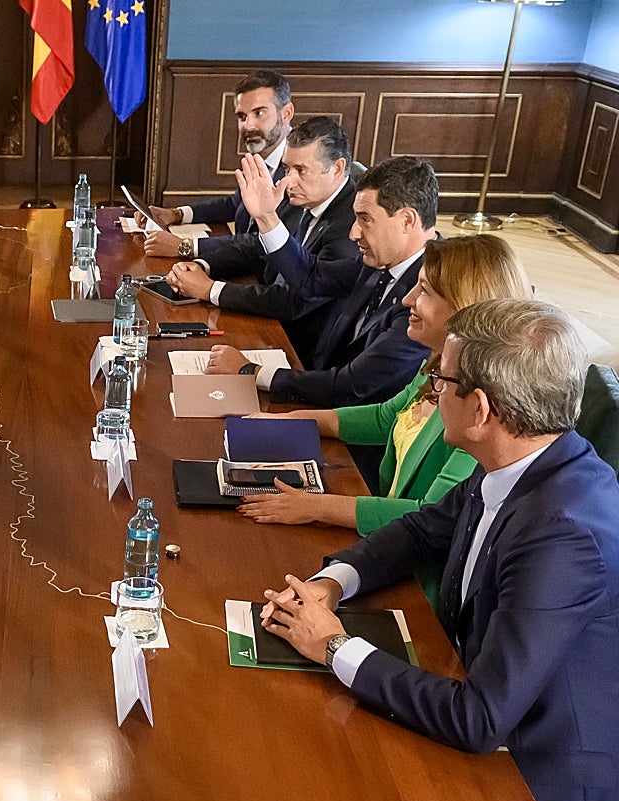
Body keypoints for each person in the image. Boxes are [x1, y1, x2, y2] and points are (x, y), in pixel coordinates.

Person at [259, 299, 619, 801]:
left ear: (479, 409)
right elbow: (424, 528)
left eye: (441, 380)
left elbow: (478, 719)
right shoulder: (528, 458)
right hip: (482, 695)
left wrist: (333, 646)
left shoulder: (563, 534)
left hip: (535, 784)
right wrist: (331, 583)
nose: (430, 391)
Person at [236, 236, 532, 550]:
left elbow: (432, 514)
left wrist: (316, 506)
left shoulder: (481, 411)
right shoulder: (436, 363)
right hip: (387, 540)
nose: (407, 300)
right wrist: (293, 420)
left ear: (465, 306)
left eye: (425, 292)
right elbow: (384, 417)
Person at [206, 155, 434, 409]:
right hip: (319, 395)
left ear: (407, 220)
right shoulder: (381, 259)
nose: (353, 233)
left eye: (365, 219)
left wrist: (251, 372)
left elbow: (350, 386)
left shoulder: (429, 296)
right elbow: (311, 278)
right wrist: (267, 219)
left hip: (353, 434)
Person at [166, 117, 359, 365]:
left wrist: (209, 289)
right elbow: (261, 248)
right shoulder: (306, 195)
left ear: (338, 168)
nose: (289, 180)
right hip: (271, 325)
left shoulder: (350, 227)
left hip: (301, 354)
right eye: (287, 169)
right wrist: (204, 265)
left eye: (301, 171)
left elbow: (293, 302)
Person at [139, 69, 293, 259]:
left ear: (286, 113)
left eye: (259, 113)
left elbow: (263, 242)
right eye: (242, 117)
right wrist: (176, 214)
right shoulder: (260, 154)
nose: (249, 126)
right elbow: (235, 204)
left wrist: (185, 246)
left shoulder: (298, 167)